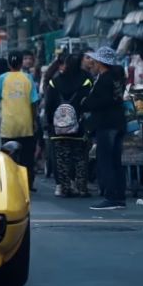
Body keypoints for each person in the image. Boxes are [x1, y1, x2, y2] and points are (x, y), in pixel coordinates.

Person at [82, 47, 127, 210]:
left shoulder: (104, 79)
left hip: (106, 124)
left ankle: (111, 197)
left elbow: (97, 102)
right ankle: (119, 196)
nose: (92, 63)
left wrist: (85, 103)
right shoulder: (118, 77)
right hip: (119, 123)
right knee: (116, 161)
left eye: (95, 61)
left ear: (101, 62)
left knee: (106, 161)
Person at [0, 50, 40, 190]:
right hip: (26, 125)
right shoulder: (28, 78)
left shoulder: (2, 78)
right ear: (21, 63)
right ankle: (28, 183)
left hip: (8, 126)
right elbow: (34, 102)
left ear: (8, 63)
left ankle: (10, 183)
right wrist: (34, 119)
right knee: (27, 158)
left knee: (8, 157)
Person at [46, 53, 93, 197]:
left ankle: (65, 187)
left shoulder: (55, 81)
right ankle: (81, 188)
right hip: (79, 126)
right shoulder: (86, 80)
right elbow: (89, 102)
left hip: (59, 127)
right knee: (80, 157)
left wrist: (50, 123)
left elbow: (49, 105)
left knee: (62, 159)